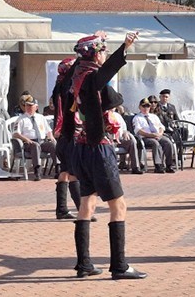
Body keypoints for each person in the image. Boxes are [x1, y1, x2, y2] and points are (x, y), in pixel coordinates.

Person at [67, 31, 146, 279]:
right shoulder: (91, 78)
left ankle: (84, 265)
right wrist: (125, 47)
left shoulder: (75, 75)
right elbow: (108, 82)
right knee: (118, 205)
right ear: (94, 53)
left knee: (86, 203)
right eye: (101, 50)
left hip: (80, 147)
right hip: (98, 148)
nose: (103, 54)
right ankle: (120, 266)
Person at [52, 57, 84, 220]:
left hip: (63, 136)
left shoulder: (58, 86)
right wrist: (83, 57)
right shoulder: (64, 87)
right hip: (69, 134)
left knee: (64, 172)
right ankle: (83, 210)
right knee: (73, 173)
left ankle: (62, 209)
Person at [12, 95, 57, 181]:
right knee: (35, 145)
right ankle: (37, 171)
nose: (28, 107)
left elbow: (48, 131)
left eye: (30, 106)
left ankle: (58, 169)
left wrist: (51, 137)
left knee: (53, 145)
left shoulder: (41, 117)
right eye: (27, 105)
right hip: (29, 143)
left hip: (42, 141)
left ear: (36, 107)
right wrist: (26, 139)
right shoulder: (21, 119)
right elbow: (15, 134)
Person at [133, 97, 177, 173]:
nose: (146, 108)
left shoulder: (154, 116)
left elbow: (161, 127)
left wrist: (159, 133)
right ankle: (158, 165)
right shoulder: (137, 118)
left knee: (168, 142)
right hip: (146, 137)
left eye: (148, 106)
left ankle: (169, 165)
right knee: (155, 143)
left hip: (158, 135)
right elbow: (138, 131)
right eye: (144, 106)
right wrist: (151, 135)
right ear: (140, 107)